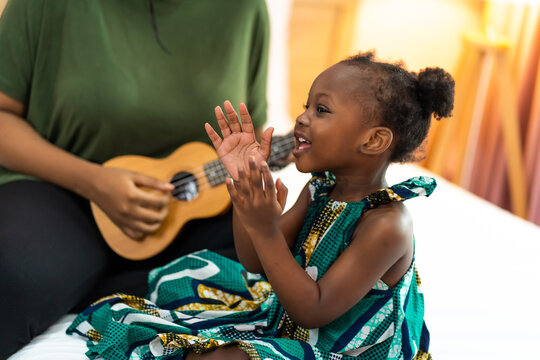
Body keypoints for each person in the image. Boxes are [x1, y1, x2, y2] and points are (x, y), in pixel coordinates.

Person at [66, 51, 455, 359]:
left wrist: (267, 228)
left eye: (321, 110)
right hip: (287, 321)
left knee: (232, 356)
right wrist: (245, 190)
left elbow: (313, 310)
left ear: (373, 141)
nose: (301, 119)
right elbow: (254, 261)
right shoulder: (321, 189)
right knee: (183, 275)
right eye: (306, 105)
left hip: (342, 349)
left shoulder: (387, 225)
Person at [0, 0, 270, 357]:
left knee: (272, 264)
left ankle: (93, 286)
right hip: (59, 190)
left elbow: (247, 136)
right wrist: (93, 181)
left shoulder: (246, 10)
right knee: (17, 273)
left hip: (187, 214)